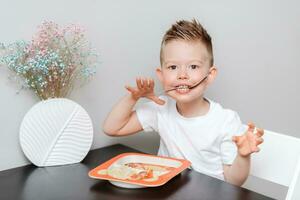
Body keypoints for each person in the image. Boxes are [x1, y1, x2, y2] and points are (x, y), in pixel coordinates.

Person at [103, 19, 264, 186]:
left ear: (210, 75)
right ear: (161, 75)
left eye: (193, 67)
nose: (182, 75)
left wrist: (243, 155)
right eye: (173, 67)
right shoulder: (161, 108)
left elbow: (233, 181)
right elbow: (112, 128)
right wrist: (133, 97)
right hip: (167, 193)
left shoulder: (225, 121)